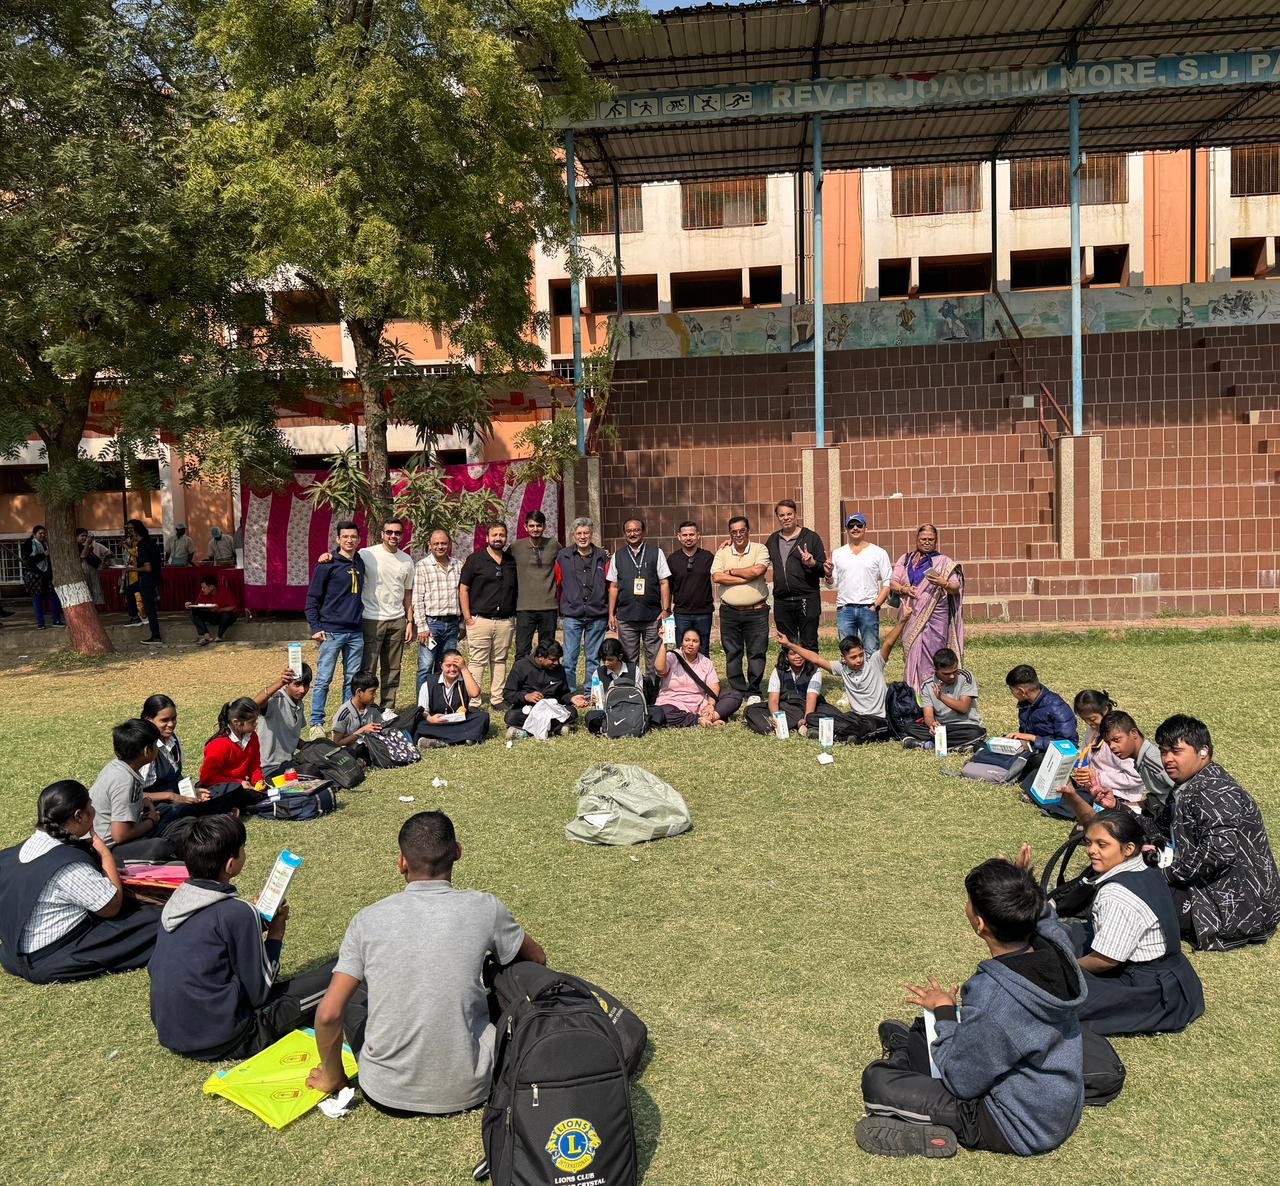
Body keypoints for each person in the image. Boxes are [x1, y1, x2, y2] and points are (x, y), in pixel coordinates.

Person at [305, 812, 547, 1117]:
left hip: (385, 1093)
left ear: (401, 863)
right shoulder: (485, 907)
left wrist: (332, 1077)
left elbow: (328, 1014)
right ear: (457, 852)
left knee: (355, 995)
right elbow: (536, 959)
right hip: (472, 1087)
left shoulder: (367, 919)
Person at [857, 854, 1086, 1159]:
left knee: (877, 1081)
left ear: (979, 923)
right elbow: (1047, 919)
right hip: (1056, 1104)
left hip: (1018, 1124)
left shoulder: (996, 999)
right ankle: (909, 1053)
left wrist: (944, 1010)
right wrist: (1021, 885)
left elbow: (962, 1081)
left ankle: (907, 1067)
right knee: (923, 1028)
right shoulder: (1057, 949)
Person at [148, 815, 359, 1060]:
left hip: (174, 1035)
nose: (245, 853)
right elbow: (259, 993)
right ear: (230, 865)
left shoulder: (177, 903)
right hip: (231, 1038)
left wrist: (254, 923)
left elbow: (211, 943)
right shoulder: (236, 913)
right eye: (242, 849)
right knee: (344, 972)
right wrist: (277, 931)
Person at [1059, 811, 1204, 1036]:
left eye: (1102, 845)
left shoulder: (1116, 894)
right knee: (1064, 935)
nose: (1091, 851)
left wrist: (1067, 966)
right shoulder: (1145, 866)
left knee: (1056, 991)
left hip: (1150, 988)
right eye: (1089, 842)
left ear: (1128, 849)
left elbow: (1106, 960)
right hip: (1177, 976)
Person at [0, 780, 161, 984]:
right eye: (90, 806)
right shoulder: (68, 867)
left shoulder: (10, 855)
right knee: (157, 920)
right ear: (78, 816)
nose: (94, 811)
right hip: (53, 956)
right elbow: (112, 906)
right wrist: (104, 852)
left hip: (12, 955)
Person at [1143, 716, 1279, 951]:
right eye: (1164, 752)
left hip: (1237, 908)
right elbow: (1162, 829)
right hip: (1210, 889)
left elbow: (1219, 852)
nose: (1167, 759)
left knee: (1134, 893)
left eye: (1176, 751)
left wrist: (1167, 874)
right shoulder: (1189, 785)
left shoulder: (1215, 791)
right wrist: (1117, 807)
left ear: (1203, 751)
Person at [781, 609, 910, 744]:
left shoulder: (875, 662)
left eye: (860, 655)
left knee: (867, 727)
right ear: (844, 658)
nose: (858, 660)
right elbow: (816, 659)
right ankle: (845, 734)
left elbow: (888, 642)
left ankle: (835, 734)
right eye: (853, 657)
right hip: (856, 717)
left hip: (878, 719)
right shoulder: (841, 668)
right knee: (812, 718)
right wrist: (790, 645)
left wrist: (903, 620)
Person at [305, 520, 365, 737]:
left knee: (351, 680)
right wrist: (315, 626)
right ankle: (316, 723)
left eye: (353, 537)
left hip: (356, 631)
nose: (349, 540)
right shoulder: (327, 564)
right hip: (331, 631)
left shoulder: (360, 561)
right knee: (324, 679)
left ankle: (345, 721)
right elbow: (312, 598)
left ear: (358, 539)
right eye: (345, 537)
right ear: (338, 539)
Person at [889, 524, 964, 691]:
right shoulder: (906, 559)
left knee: (934, 651)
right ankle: (913, 689)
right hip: (911, 614)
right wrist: (904, 589)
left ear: (936, 541)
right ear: (917, 539)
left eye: (931, 539)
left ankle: (933, 689)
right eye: (923, 539)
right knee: (912, 650)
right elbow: (893, 583)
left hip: (935, 616)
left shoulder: (944, 562)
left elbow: (955, 587)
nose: (927, 542)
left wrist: (943, 583)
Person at [89, 719, 174, 861]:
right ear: (146, 751)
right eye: (155, 744)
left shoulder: (116, 766)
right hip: (107, 848)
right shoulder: (126, 781)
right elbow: (120, 835)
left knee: (168, 811)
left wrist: (142, 802)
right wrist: (151, 821)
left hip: (104, 838)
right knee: (161, 846)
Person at [711, 515, 771, 704]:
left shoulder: (760, 549)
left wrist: (730, 572)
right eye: (734, 532)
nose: (738, 535)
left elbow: (757, 571)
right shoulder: (723, 552)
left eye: (742, 531)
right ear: (730, 533)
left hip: (756, 611)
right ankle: (737, 690)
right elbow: (717, 577)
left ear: (748, 531)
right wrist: (746, 576)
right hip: (729, 611)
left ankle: (754, 690)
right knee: (732, 652)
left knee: (757, 652)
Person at [357, 518, 415, 710]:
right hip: (371, 619)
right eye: (389, 532)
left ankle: (388, 708)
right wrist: (327, 557)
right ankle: (365, 707)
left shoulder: (406, 560)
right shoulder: (366, 554)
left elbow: (407, 593)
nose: (393, 536)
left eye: (397, 532)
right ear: (382, 534)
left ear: (402, 535)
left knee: (393, 668)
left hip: (397, 620)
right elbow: (345, 561)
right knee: (369, 668)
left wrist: (409, 621)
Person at [459, 522, 517, 710]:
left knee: (500, 660)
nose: (498, 538)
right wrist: (467, 617)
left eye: (502, 535)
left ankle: (497, 699)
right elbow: (463, 589)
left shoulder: (511, 561)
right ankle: (474, 701)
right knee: (477, 661)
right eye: (494, 535)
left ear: (506, 537)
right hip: (480, 620)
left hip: (505, 621)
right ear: (487, 538)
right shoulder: (475, 560)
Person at [606, 516, 670, 677]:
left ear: (643, 532)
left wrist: (666, 609)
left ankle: (654, 689)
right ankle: (632, 688)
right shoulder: (618, 556)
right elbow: (613, 586)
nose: (632, 534)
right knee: (629, 659)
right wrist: (611, 614)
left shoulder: (656, 553)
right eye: (629, 531)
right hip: (626, 617)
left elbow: (664, 582)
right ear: (624, 533)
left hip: (652, 616)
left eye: (636, 530)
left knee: (654, 658)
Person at [1062, 693, 1146, 813]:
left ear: (1105, 710)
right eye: (1085, 720)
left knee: (1073, 799)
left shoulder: (1117, 738)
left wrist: (1097, 777)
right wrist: (1081, 771)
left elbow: (1136, 777)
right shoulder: (1093, 730)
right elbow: (1085, 754)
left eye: (1092, 719)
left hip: (1117, 794)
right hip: (1093, 786)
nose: (1089, 724)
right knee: (1062, 787)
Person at [555, 517, 610, 695]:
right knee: (569, 657)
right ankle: (569, 692)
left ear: (592, 534)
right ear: (573, 535)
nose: (583, 536)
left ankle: (590, 691)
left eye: (586, 533)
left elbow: (610, 585)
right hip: (573, 614)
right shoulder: (563, 556)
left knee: (593, 658)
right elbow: (557, 582)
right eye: (579, 533)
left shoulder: (602, 556)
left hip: (597, 614)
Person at [765, 499, 826, 650]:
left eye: (789, 514)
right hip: (782, 601)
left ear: (796, 515)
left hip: (807, 598)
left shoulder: (811, 537)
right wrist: (730, 543)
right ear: (778, 518)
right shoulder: (773, 540)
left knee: (809, 642)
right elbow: (757, 556)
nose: (786, 518)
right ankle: (789, 666)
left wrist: (812, 563)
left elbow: (823, 570)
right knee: (787, 645)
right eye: (782, 515)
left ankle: (811, 666)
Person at [900, 647, 987, 752]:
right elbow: (928, 715)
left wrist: (941, 697)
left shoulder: (965, 677)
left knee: (977, 733)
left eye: (954, 671)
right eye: (946, 674)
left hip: (966, 726)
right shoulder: (927, 685)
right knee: (909, 728)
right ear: (936, 670)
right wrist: (932, 724)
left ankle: (931, 744)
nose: (952, 676)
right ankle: (957, 746)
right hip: (943, 727)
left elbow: (963, 708)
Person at [651, 629, 742, 728]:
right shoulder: (671, 657)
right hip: (672, 704)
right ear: (682, 642)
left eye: (695, 641)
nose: (690, 644)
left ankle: (711, 717)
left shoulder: (706, 662)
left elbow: (713, 687)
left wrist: (710, 705)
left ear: (700, 645)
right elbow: (660, 669)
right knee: (663, 713)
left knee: (734, 695)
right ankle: (698, 720)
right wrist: (664, 642)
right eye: (687, 640)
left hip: (699, 705)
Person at [827, 513, 891, 652]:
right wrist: (828, 574)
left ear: (865, 528)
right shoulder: (838, 553)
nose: (855, 528)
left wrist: (876, 605)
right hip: (845, 609)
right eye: (851, 525)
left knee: (871, 650)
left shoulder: (878, 552)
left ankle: (871, 669)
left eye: (859, 525)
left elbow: (888, 582)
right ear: (846, 529)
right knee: (847, 651)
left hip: (868, 608)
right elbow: (832, 584)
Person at [1004, 665, 1079, 779]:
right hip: (1033, 750)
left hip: (1050, 755)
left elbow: (1069, 745)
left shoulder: (1056, 707)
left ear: (1021, 691)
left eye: (1011, 690)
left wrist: (1033, 738)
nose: (1012, 694)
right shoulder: (1026, 704)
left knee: (1036, 761)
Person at [412, 529, 463, 694]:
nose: (440, 546)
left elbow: (462, 596)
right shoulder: (422, 566)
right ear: (430, 545)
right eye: (436, 544)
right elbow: (417, 598)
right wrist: (422, 627)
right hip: (431, 624)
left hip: (452, 624)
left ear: (449, 544)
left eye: (443, 543)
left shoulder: (458, 565)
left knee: (447, 665)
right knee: (425, 666)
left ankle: (441, 700)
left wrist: (462, 624)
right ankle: (423, 703)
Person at [1095, 710, 1175, 812]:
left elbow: (1184, 793)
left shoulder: (1152, 761)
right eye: (1108, 742)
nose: (1112, 746)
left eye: (1116, 740)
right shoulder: (1140, 760)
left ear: (1134, 733)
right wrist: (1117, 805)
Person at [414, 649, 491, 747]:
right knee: (420, 725)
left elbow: (475, 693)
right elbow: (423, 710)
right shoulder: (429, 684)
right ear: (441, 665)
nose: (452, 669)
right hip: (437, 722)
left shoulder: (465, 679)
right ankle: (463, 738)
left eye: (456, 666)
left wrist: (464, 669)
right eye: (448, 665)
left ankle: (440, 741)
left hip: (458, 721)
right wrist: (430, 719)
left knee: (482, 717)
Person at [744, 646, 826, 737]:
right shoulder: (779, 670)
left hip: (805, 707)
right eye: (792, 654)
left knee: (826, 713)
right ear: (786, 656)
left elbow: (811, 698)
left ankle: (801, 724)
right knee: (751, 710)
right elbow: (773, 699)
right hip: (785, 706)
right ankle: (788, 725)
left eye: (800, 653)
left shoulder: (815, 670)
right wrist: (776, 717)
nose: (797, 656)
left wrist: (806, 719)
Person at [503, 640, 578, 739]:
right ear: (540, 656)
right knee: (511, 716)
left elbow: (563, 694)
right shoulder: (521, 666)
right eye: (552, 659)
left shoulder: (559, 669)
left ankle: (527, 732)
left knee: (572, 712)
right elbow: (508, 693)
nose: (556, 663)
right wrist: (526, 696)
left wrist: (572, 698)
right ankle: (556, 729)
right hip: (529, 709)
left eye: (558, 659)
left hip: (551, 709)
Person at [511, 509, 559, 659]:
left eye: (538, 525)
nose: (535, 529)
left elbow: (570, 558)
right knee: (522, 651)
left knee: (547, 652)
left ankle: (544, 675)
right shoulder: (515, 547)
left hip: (548, 606)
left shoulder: (554, 545)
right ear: (525, 527)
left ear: (544, 527)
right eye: (531, 526)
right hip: (524, 607)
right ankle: (523, 675)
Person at [573, 636, 643, 735]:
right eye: (604, 660)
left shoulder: (633, 670)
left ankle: (609, 726)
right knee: (591, 716)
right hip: (608, 711)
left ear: (620, 657)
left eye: (610, 659)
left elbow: (639, 694)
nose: (606, 663)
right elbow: (595, 701)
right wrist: (594, 701)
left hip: (630, 709)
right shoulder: (598, 673)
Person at [254, 666, 313, 780]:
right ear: (287, 683)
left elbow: (290, 737)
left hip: (287, 764)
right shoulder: (276, 700)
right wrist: (280, 682)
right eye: (297, 685)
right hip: (268, 768)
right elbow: (254, 704)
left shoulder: (299, 704)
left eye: (305, 685)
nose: (302, 690)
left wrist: (314, 747)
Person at [668, 520, 715, 656]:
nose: (688, 538)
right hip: (682, 613)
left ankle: (702, 671)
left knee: (703, 651)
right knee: (682, 651)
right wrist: (666, 610)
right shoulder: (672, 559)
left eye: (691, 534)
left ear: (698, 536)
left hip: (704, 613)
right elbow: (668, 587)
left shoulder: (708, 557)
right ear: (679, 537)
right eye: (685, 535)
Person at [199, 698, 267, 791]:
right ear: (236, 722)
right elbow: (207, 778)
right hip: (222, 790)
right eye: (252, 722)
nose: (255, 724)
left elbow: (255, 765)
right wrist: (238, 783)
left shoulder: (252, 736)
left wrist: (258, 781)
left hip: (243, 787)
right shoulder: (219, 745)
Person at [122, 518, 164, 645]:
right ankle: (135, 618)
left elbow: (148, 568)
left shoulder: (143, 545)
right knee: (129, 590)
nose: (129, 532)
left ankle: (156, 636)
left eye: (130, 530)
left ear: (136, 531)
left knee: (150, 608)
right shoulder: (149, 542)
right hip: (150, 578)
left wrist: (131, 569)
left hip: (148, 579)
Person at [139, 694, 185, 795]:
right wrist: (170, 796)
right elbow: (134, 794)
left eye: (174, 718)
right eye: (164, 720)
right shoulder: (144, 748)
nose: (171, 724)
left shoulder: (174, 740)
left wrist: (192, 792)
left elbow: (177, 776)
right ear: (148, 720)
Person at [20, 524, 64, 629]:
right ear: (34, 534)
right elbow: (27, 561)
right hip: (34, 576)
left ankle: (56, 620)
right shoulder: (29, 544)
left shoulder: (45, 543)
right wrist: (43, 554)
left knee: (54, 597)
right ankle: (41, 623)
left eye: (44, 533)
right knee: (37, 599)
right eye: (40, 533)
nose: (43, 535)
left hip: (46, 576)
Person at [331, 672, 384, 754]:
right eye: (372, 692)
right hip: (350, 754)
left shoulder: (374, 708)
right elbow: (336, 743)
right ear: (359, 692)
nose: (375, 695)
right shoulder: (344, 714)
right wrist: (362, 731)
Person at [187, 575, 239, 645]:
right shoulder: (203, 592)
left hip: (225, 617)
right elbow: (198, 605)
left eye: (204, 587)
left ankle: (219, 636)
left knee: (226, 615)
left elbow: (233, 607)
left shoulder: (224, 591)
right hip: (212, 615)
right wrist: (190, 605)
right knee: (193, 612)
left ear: (211, 587)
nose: (202, 589)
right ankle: (206, 635)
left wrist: (219, 610)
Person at [76, 528, 109, 607]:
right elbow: (83, 556)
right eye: (82, 536)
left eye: (86, 536)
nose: (84, 538)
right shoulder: (76, 546)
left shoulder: (83, 545)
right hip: (85, 570)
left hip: (91, 570)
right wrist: (87, 544)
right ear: (76, 536)